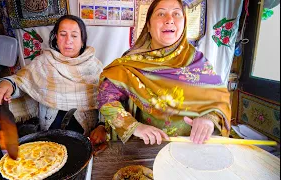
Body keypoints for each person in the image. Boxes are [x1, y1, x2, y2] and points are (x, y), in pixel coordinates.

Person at [90, 0, 231, 146]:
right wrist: (133, 126)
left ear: (184, 23)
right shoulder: (131, 62)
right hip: (146, 150)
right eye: (161, 13)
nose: (169, 20)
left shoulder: (198, 62)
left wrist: (209, 119)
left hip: (192, 149)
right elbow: (106, 97)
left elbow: (220, 101)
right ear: (149, 26)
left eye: (176, 14)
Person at [0, 15, 103, 136]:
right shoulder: (43, 62)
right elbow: (21, 82)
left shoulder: (94, 67)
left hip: (86, 138)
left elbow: (106, 101)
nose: (68, 40)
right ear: (56, 37)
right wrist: (7, 84)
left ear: (82, 41)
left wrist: (102, 126)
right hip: (48, 136)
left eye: (75, 35)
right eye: (63, 34)